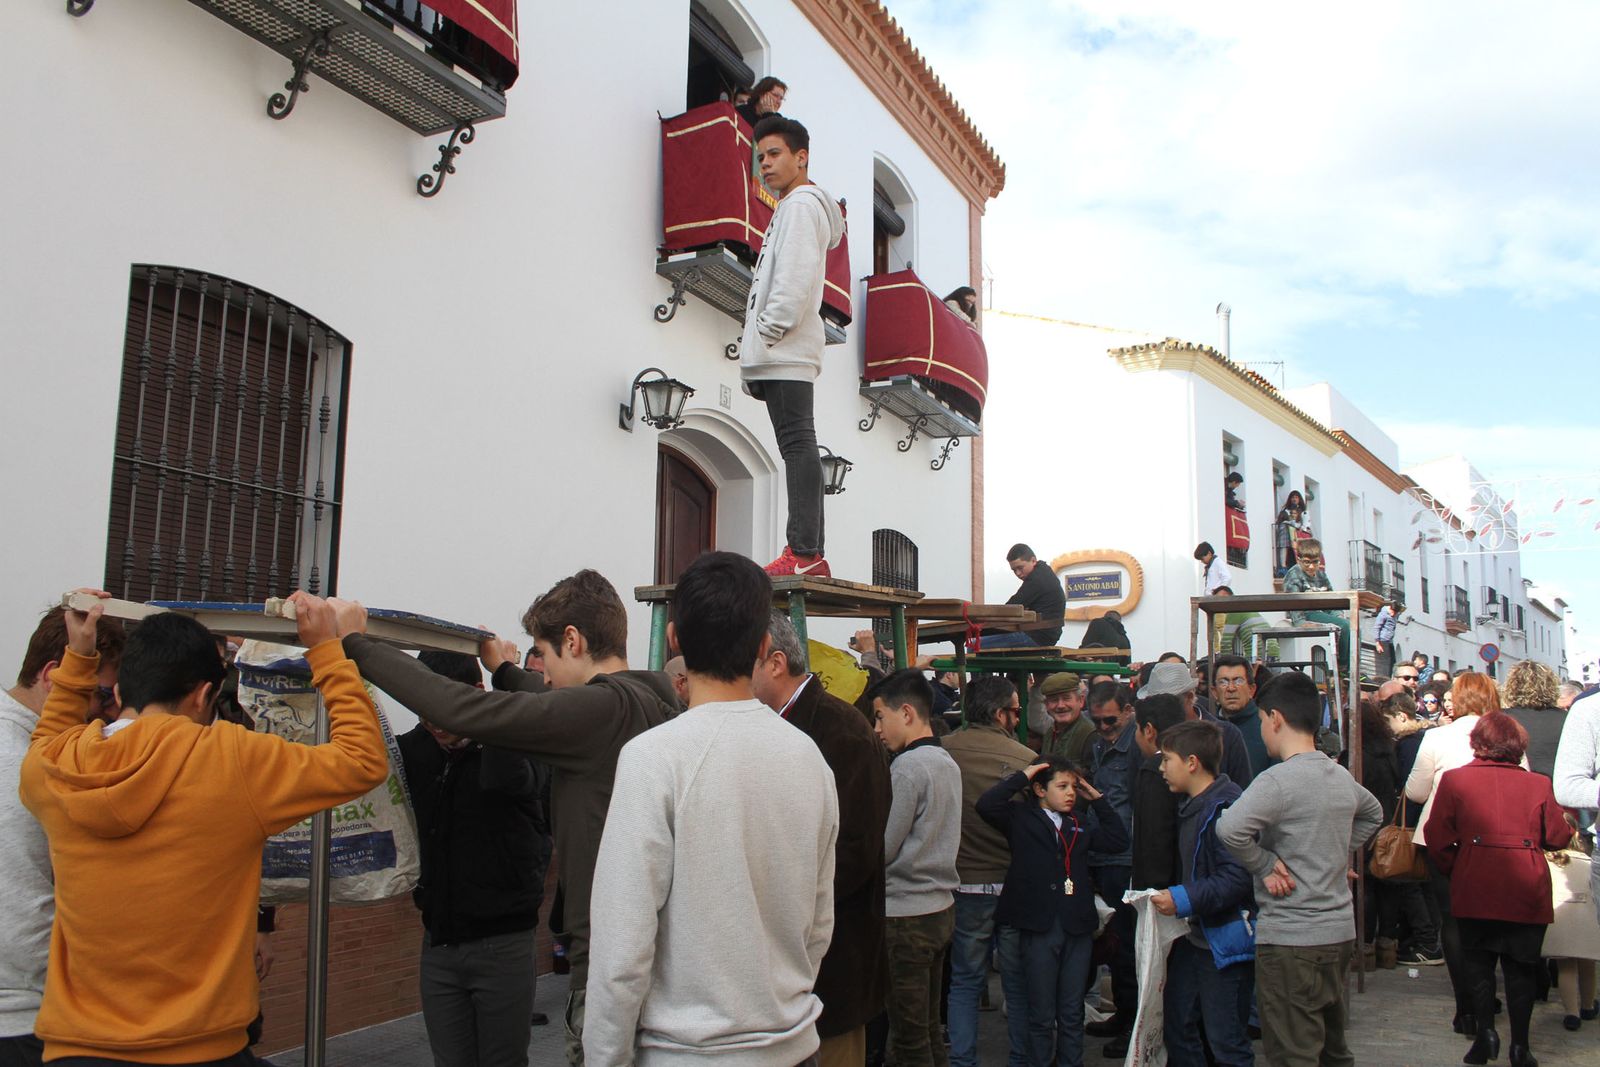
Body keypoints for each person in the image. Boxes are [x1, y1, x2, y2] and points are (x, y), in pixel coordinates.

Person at [20, 591, 388, 1065]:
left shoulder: (53, 767)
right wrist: (327, 650)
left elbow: (46, 737)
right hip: (201, 1047)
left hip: (77, 1049)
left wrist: (78, 657)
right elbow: (362, 760)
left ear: (117, 691)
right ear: (202, 695)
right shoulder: (232, 758)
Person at [339, 569, 678, 1066]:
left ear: (572, 639)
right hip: (638, 951)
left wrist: (353, 644)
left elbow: (464, 710)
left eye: (545, 656)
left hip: (609, 967)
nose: (544, 675)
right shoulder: (650, 697)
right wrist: (505, 672)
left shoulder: (601, 710)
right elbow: (552, 703)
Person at [583, 553, 839, 1067]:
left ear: (674, 638)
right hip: (792, 1044)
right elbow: (818, 922)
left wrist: (605, 1057)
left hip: (687, 1053)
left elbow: (621, 944)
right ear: (765, 645)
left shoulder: (653, 757)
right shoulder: (808, 756)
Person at [1215, 671, 1383, 1067]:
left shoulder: (1276, 781)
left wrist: (1266, 864)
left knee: (1294, 1053)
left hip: (1291, 937)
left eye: (1261, 721)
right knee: (1333, 1048)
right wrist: (1336, 856)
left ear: (1275, 718)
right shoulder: (1337, 774)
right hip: (1338, 932)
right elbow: (1372, 813)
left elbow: (1229, 830)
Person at [753, 611, 892, 1067]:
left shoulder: (840, 731)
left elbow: (855, 853)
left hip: (832, 967)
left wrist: (776, 905)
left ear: (774, 663)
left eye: (740, 664)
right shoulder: (774, 725)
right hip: (786, 969)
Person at [397, 651, 548, 1067]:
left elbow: (517, 778)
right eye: (426, 712)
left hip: (503, 944)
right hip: (439, 943)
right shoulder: (410, 752)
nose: (437, 723)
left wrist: (500, 691)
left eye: (448, 709)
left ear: (477, 695)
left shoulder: (514, 749)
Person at [1, 605, 126, 1067]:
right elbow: (20, 909)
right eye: (99, 696)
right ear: (56, 675)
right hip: (24, 1021)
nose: (105, 712)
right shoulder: (18, 764)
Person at [1423, 713, 1572, 1067]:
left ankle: (1486, 1034)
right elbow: (1556, 836)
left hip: (1475, 882)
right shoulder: (1537, 784)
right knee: (1521, 968)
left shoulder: (1455, 780)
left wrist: (1459, 868)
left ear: (1478, 742)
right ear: (1518, 746)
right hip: (1526, 886)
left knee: (1479, 963)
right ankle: (1520, 1046)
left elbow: (1437, 837)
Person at [743, 115, 846, 578]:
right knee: (797, 445)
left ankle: (804, 554)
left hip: (785, 346)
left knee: (798, 445)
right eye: (760, 156)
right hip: (785, 348)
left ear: (801, 158)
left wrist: (768, 329)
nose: (764, 163)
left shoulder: (801, 206)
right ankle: (808, 552)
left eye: (775, 154)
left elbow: (795, 276)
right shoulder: (793, 207)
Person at [976, 756, 1127, 1067]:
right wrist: (1024, 776)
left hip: (1076, 924)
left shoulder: (1080, 822)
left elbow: (1117, 839)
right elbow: (986, 805)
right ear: (1039, 789)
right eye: (1062, 786)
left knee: (1071, 1009)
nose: (1071, 792)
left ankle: (1072, 1061)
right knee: (1041, 1010)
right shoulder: (1021, 817)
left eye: (1074, 786)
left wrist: (1096, 799)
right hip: (1038, 924)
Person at [1405, 672, 1516, 1035]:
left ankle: (1466, 1008)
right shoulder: (1507, 733)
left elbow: (1416, 792)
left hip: (1443, 838)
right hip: (1494, 839)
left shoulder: (1437, 736)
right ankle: (1487, 998)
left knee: (1451, 921)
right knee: (1490, 918)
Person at [941, 676, 1035, 1067]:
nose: (1017, 718)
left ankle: (963, 1060)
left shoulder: (942, 752)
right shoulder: (1025, 761)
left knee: (964, 980)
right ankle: (1021, 1058)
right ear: (1000, 713)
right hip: (1011, 882)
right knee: (1017, 982)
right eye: (1015, 710)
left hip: (963, 881)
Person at [1151, 720, 1256, 1067]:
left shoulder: (1225, 809)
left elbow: (1236, 879)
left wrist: (1182, 898)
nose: (1162, 768)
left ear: (1192, 762)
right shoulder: (1196, 805)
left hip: (1223, 945)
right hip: (1196, 940)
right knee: (1179, 1027)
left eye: (1167, 759)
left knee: (1227, 1042)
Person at [871, 669, 962, 1067]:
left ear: (906, 713)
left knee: (908, 1038)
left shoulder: (906, 769)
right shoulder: (946, 761)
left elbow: (885, 848)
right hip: (941, 908)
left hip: (905, 914)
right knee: (928, 1027)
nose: (877, 728)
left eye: (879, 716)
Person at [1351, 699, 1438, 970]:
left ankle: (1364, 949)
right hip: (1388, 823)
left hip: (1364, 826)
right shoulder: (1391, 749)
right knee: (1389, 886)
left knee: (1366, 886)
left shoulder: (1356, 755)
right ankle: (1387, 946)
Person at [1083, 683, 1138, 1055]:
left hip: (1125, 857)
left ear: (1129, 711)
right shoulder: (1098, 744)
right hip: (1102, 853)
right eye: (1097, 720)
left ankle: (1132, 1021)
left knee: (1127, 945)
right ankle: (1122, 1013)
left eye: (1109, 720)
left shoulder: (1136, 748)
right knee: (1113, 943)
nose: (1103, 727)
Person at [1139, 662, 1253, 790]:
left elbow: (1242, 788)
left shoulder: (1226, 735)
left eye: (1171, 701)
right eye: (1157, 703)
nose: (1164, 708)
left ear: (1190, 697)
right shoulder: (1148, 735)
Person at [1129, 695, 1187, 893]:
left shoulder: (1154, 771)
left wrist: (1154, 890)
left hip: (1162, 892)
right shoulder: (1190, 762)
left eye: (1136, 728)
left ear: (1148, 730)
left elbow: (1155, 836)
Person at [1280, 539, 1350, 665]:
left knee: (1352, 626)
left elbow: (1332, 600)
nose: (1311, 567)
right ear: (1299, 560)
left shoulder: (1322, 576)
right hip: (1306, 613)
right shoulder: (1294, 574)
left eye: (1315, 562)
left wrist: (1338, 614)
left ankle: (1352, 666)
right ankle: (1345, 667)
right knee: (1346, 625)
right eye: (1307, 562)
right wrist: (1300, 622)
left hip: (1320, 612)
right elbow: (1293, 600)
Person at [1207, 655, 1275, 779]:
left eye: (1238, 681)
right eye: (1223, 682)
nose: (1231, 688)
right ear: (1214, 692)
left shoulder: (1268, 726)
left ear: (1251, 689)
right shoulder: (1206, 730)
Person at [987, 545, 1066, 649]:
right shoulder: (1044, 571)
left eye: (1020, 568)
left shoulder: (1037, 579)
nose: (1018, 573)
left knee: (975, 644)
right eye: (1014, 570)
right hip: (1045, 634)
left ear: (1033, 561)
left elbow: (1011, 607)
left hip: (1037, 636)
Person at [1501, 660, 1565, 778]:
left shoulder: (1501, 719)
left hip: (1518, 786)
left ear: (1511, 686)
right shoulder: (1567, 719)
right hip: (1557, 788)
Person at [1038, 672, 1094, 762]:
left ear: (1081, 701)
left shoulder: (1090, 735)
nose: (1060, 705)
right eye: (1054, 700)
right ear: (1046, 705)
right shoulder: (1050, 733)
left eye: (1066, 698)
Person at [1373, 599, 1401, 678]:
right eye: (1392, 612)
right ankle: (1384, 678)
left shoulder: (1396, 614)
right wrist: (1377, 643)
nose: (1393, 614)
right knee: (1385, 662)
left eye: (1395, 613)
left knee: (1392, 661)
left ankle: (1389, 676)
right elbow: (1377, 627)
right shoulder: (1383, 614)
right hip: (1383, 641)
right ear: (1390, 609)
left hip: (1390, 641)